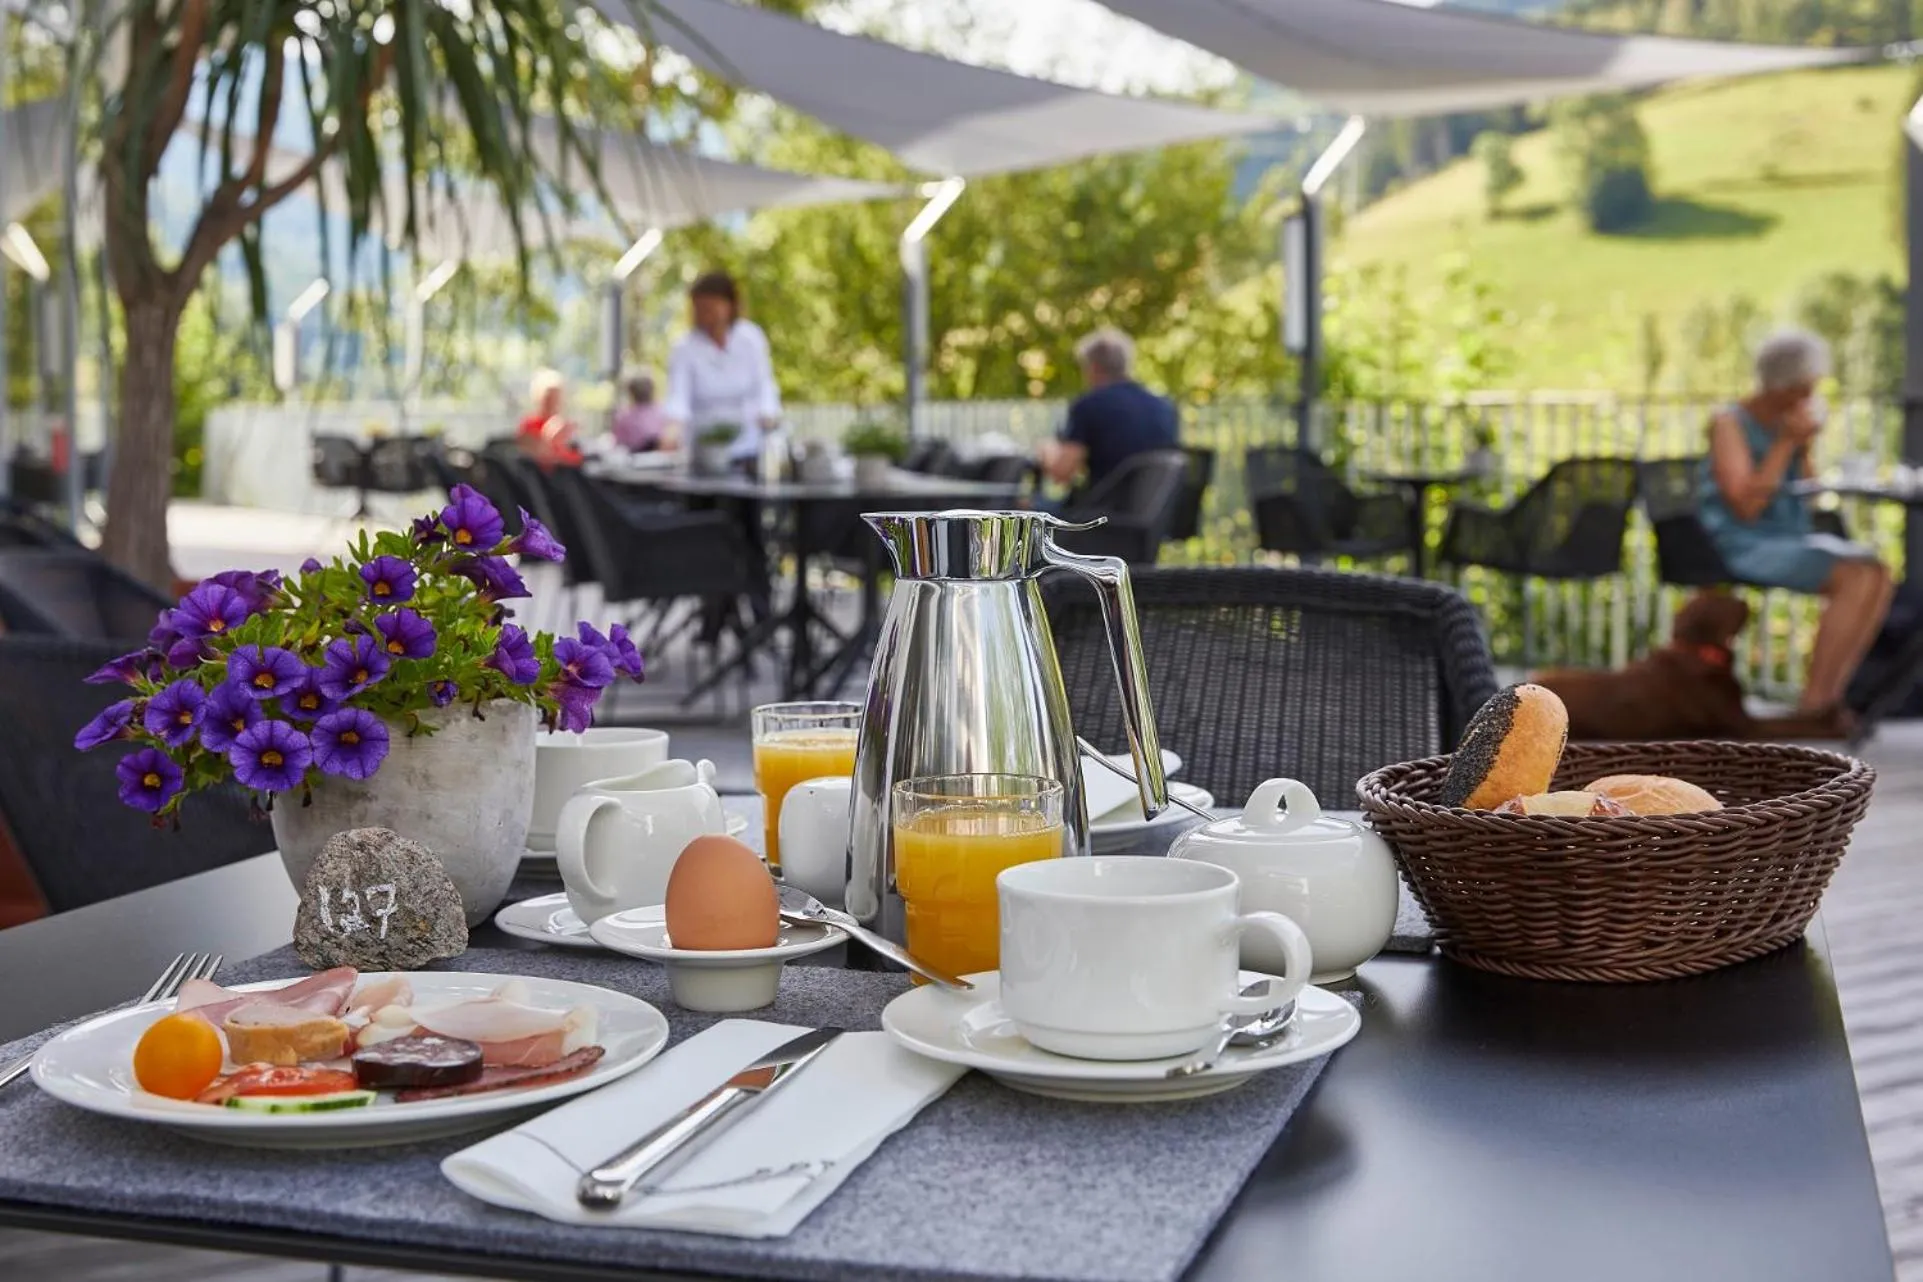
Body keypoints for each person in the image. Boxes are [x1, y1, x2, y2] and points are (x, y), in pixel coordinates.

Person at [1700, 327, 1892, 731]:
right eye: (1802, 388)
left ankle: (1826, 698)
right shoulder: (1729, 424)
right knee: (1852, 575)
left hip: (1789, 538)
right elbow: (1747, 506)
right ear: (1778, 385)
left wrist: (1803, 446)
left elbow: (1809, 493)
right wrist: (1785, 443)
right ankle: (1813, 706)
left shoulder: (1788, 425)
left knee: (1876, 571)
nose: (1808, 397)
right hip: (1740, 542)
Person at [1037, 327, 1178, 494]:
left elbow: (1062, 474)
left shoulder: (1089, 405)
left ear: (1093, 367)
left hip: (1101, 511)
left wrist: (1047, 451)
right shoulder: (1165, 406)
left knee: (1023, 510)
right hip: (1156, 513)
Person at [660, 271, 781, 461]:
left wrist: (768, 416)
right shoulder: (684, 347)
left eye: (710, 307)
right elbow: (678, 398)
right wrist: (671, 432)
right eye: (699, 308)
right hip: (704, 452)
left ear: (730, 306)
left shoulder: (751, 338)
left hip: (749, 447)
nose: (704, 315)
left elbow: (765, 386)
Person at [516, 369, 581, 469]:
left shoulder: (562, 424)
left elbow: (570, 457)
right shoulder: (528, 425)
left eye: (556, 397)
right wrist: (549, 436)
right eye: (548, 397)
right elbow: (540, 459)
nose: (553, 402)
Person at [610, 373, 673, 453]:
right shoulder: (664, 412)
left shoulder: (624, 416)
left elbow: (618, 442)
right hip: (660, 458)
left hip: (635, 460)